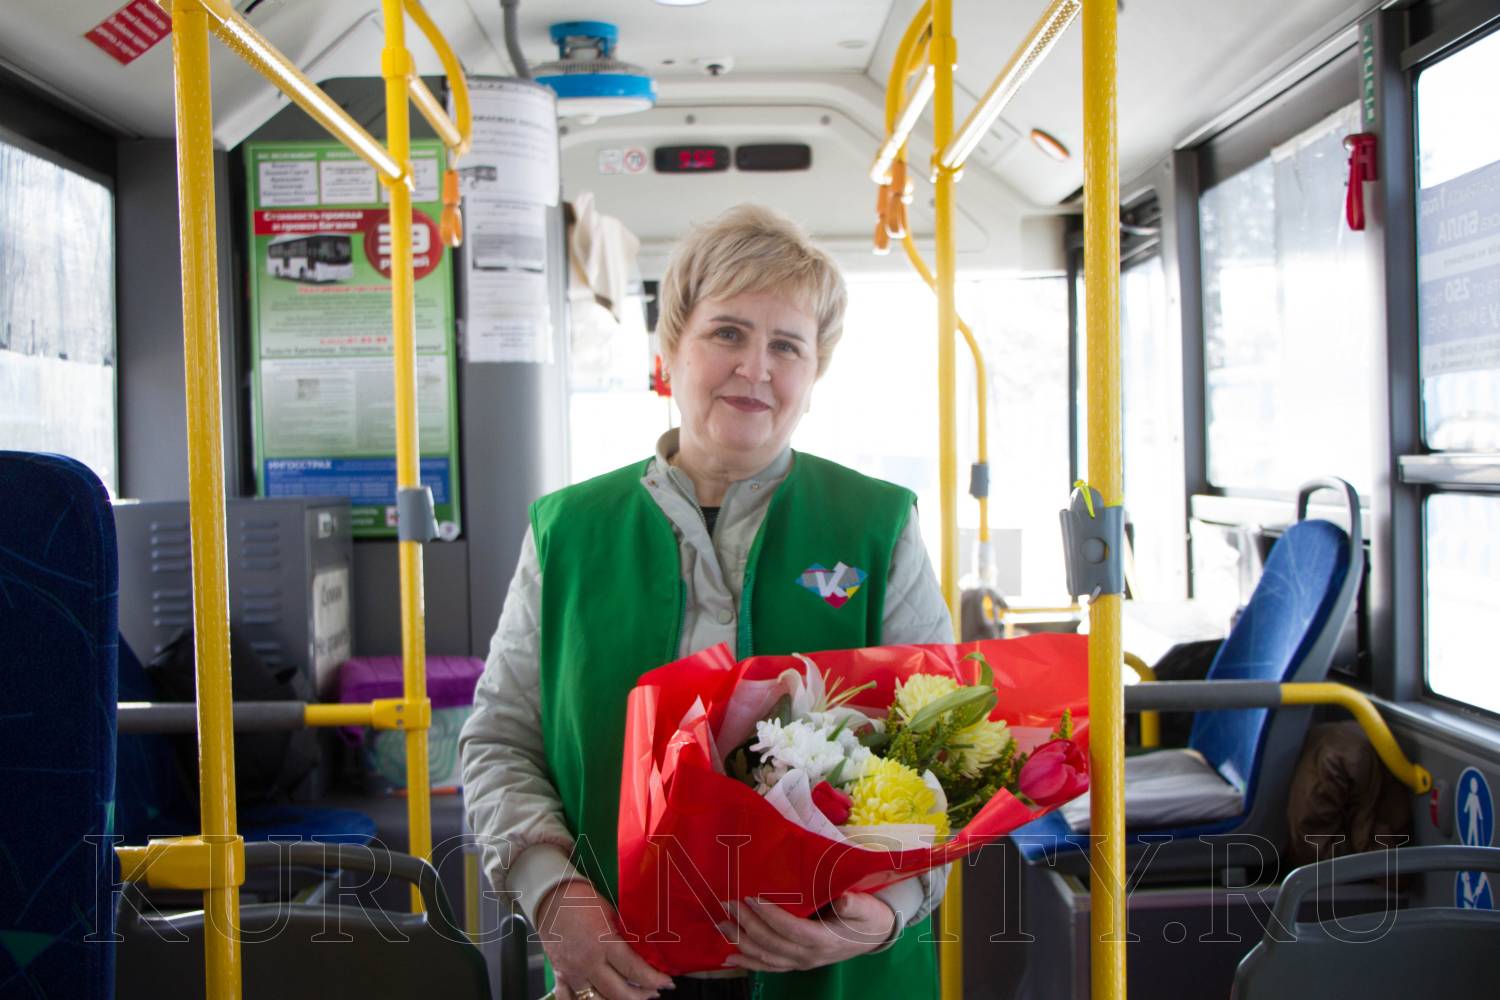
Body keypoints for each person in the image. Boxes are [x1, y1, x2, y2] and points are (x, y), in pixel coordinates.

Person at [460, 204, 953, 1000]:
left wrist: (888, 910)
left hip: (835, 971)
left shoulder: (877, 526)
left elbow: (945, 751)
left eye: (787, 345)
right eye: (728, 333)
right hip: (618, 960)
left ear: (813, 374)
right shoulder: (569, 532)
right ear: (670, 350)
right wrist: (551, 892)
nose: (756, 368)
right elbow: (499, 740)